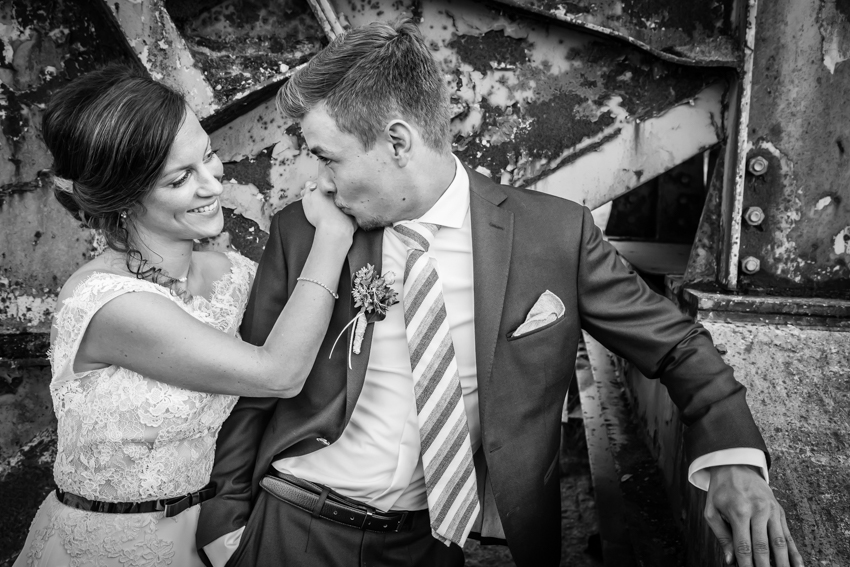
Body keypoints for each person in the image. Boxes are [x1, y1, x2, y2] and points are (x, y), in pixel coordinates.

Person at [199, 20, 803, 567]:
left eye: (328, 158)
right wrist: (226, 528)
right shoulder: (303, 229)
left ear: (398, 142)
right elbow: (251, 389)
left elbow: (676, 345)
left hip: (430, 544)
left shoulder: (554, 235)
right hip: (292, 526)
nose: (319, 181)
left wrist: (733, 459)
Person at [13, 65, 355, 567]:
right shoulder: (110, 304)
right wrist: (332, 236)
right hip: (111, 547)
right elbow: (279, 373)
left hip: (205, 538)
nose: (213, 184)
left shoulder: (232, 274)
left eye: (208, 155)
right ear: (125, 196)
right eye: (180, 178)